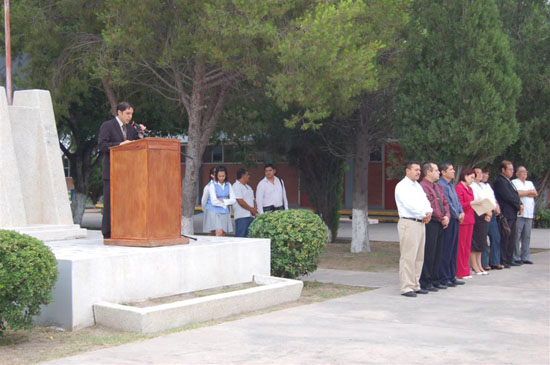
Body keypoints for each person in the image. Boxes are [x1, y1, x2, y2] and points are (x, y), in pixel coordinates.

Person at [98, 101, 146, 239]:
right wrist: (120, 144)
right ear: (119, 112)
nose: (129, 117)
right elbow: (102, 145)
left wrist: (141, 133)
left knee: (126, 204)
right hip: (112, 172)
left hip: (128, 173)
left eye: (131, 114)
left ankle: (124, 229)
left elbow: (138, 145)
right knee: (110, 203)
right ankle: (108, 233)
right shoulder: (108, 126)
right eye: (127, 113)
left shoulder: (131, 129)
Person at [394, 161, 433, 297]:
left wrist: (429, 212)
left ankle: (416, 284)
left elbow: (426, 201)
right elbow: (409, 205)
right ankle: (406, 287)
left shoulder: (418, 186)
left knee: (418, 256)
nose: (418, 172)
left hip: (420, 222)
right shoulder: (402, 186)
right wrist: (423, 213)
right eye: (415, 170)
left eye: (419, 170)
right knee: (408, 256)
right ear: (407, 171)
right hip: (409, 222)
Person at [419, 162, 450, 291]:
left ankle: (435, 278)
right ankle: (426, 280)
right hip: (431, 222)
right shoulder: (423, 187)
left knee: (438, 252)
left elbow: (444, 202)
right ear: (428, 172)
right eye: (436, 170)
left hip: (440, 222)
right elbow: (430, 205)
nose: (438, 172)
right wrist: (440, 217)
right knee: (429, 252)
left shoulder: (437, 186)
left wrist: (447, 215)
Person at [437, 162, 466, 287]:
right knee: (447, 249)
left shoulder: (451, 185)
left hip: (456, 219)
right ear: (443, 172)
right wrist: (456, 214)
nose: (453, 171)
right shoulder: (441, 185)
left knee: (454, 248)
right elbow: (447, 203)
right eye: (450, 169)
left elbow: (457, 201)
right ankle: (444, 277)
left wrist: (461, 212)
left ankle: (451, 275)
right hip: (450, 219)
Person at [493, 160, 523, 268]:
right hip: (505, 213)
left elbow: (515, 195)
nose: (512, 171)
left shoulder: (509, 181)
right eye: (509, 169)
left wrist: (520, 203)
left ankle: (509, 259)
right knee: (505, 236)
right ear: (503, 170)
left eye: (512, 169)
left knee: (511, 237)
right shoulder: (500, 181)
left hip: (512, 213)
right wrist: (518, 205)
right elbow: (508, 196)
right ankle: (503, 259)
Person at [455, 168, 480, 279]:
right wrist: (471, 203)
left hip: (470, 219)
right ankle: (460, 271)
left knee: (467, 246)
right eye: (471, 177)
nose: (472, 180)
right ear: (465, 176)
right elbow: (459, 204)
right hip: (463, 220)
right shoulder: (459, 188)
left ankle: (466, 270)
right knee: (461, 246)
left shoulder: (469, 189)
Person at [511, 166, 537, 265]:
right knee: (516, 236)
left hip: (529, 213)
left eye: (525, 171)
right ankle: (516, 257)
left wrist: (524, 193)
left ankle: (525, 256)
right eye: (522, 172)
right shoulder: (514, 182)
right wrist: (528, 192)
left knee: (526, 236)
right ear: (517, 173)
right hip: (519, 214)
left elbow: (535, 193)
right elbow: (517, 193)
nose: (524, 173)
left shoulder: (529, 183)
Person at [469, 168, 491, 276]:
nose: (479, 174)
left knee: (482, 241)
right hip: (478, 214)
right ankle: (474, 265)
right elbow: (476, 202)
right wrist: (487, 212)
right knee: (476, 241)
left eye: (481, 172)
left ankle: (479, 264)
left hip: (485, 214)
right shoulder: (472, 186)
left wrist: (489, 213)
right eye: (476, 173)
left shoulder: (482, 186)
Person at [480, 168, 503, 270]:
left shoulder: (488, 186)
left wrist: (497, 205)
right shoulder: (476, 186)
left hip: (492, 213)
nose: (486, 176)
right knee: (483, 241)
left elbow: (492, 198)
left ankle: (495, 261)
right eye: (484, 174)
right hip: (484, 214)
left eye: (487, 174)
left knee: (496, 238)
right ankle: (484, 263)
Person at [203, 166, 235, 236]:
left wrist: (223, 201)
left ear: (226, 175)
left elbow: (233, 200)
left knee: (223, 233)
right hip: (214, 211)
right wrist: (226, 202)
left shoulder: (228, 185)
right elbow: (214, 201)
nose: (221, 178)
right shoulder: (212, 185)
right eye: (219, 176)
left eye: (223, 176)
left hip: (225, 211)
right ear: (216, 176)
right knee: (218, 231)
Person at [233, 168, 257, 237]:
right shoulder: (236, 186)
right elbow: (240, 201)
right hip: (242, 217)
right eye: (247, 175)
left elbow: (254, 200)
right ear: (243, 176)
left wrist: (254, 210)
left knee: (250, 237)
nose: (248, 176)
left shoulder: (248, 187)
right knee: (241, 237)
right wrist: (251, 209)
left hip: (251, 216)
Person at [201, 167, 217, 234]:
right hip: (211, 213)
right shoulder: (208, 187)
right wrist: (206, 210)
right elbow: (203, 201)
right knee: (212, 232)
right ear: (212, 175)